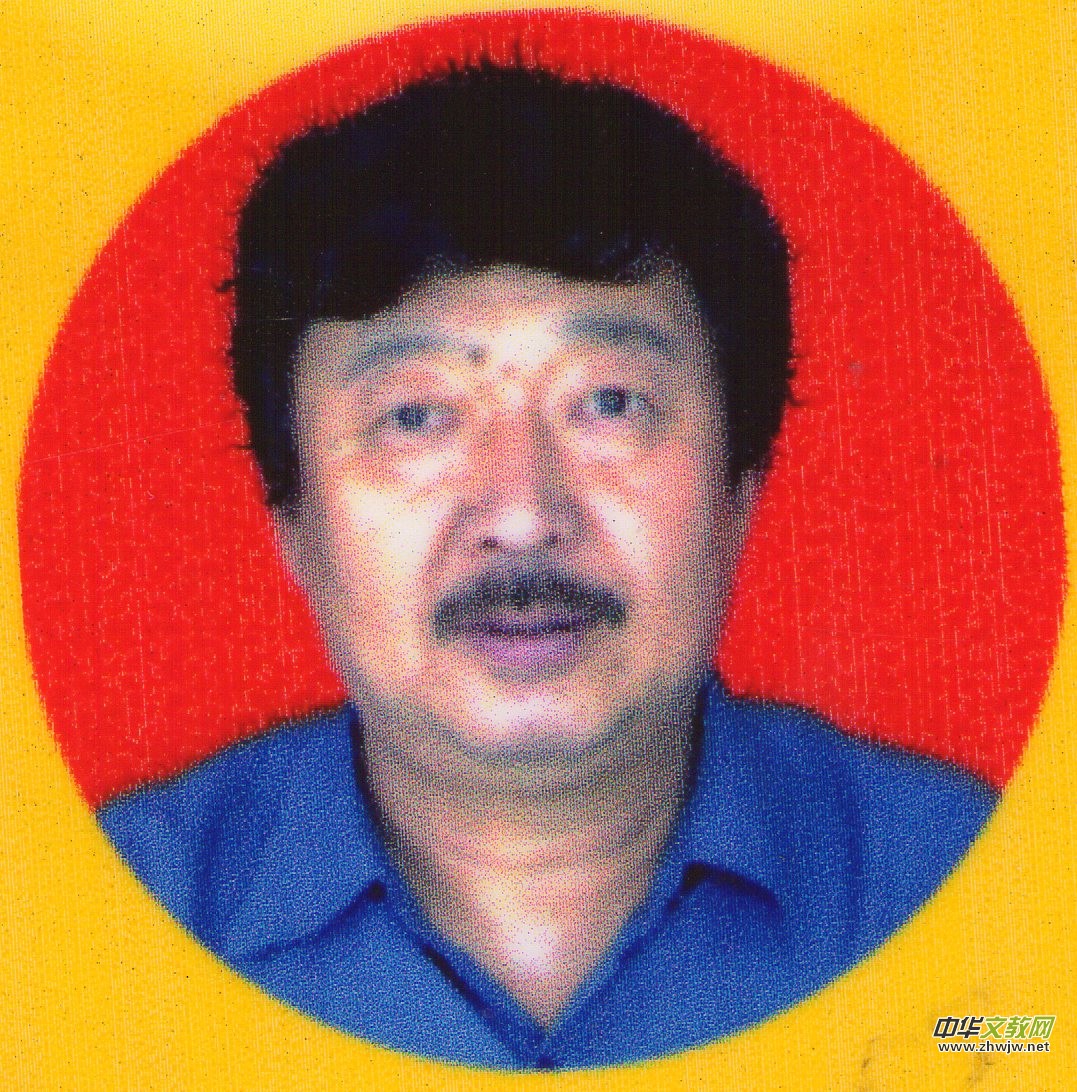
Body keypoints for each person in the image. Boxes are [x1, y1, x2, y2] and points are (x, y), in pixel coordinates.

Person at [99, 65, 997, 1069]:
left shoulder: (983, 891)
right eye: (415, 417)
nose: (522, 518)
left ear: (739, 488)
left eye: (609, 403)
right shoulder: (96, 928)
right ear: (293, 519)